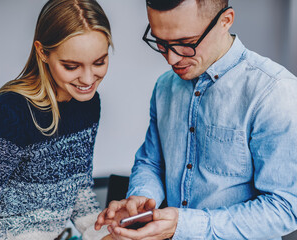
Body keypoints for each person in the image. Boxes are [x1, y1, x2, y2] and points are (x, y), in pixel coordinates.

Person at [95, 0, 297, 239]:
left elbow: (285, 209)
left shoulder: (274, 92)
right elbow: (152, 163)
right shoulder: (165, 87)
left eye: (186, 43)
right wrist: (142, 198)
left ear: (226, 21)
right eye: (160, 42)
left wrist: (184, 225)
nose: (171, 59)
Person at [0, 0, 112, 239]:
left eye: (99, 62)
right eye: (71, 66)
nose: (88, 78)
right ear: (42, 52)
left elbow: (78, 188)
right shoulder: (6, 114)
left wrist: (103, 232)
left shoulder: (88, 104)